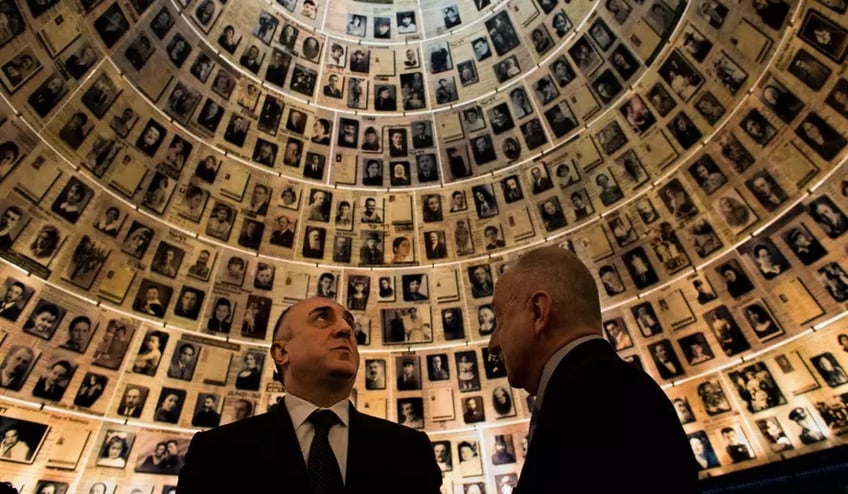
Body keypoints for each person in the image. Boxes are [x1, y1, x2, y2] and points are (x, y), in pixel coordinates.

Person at [486, 246, 699, 492]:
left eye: (499, 320)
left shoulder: (591, 398)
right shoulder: (609, 385)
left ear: (537, 311)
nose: (492, 344)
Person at [178, 297, 442, 492]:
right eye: (322, 318)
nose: (346, 330)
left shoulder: (410, 449)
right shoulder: (217, 452)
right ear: (281, 353)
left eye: (348, 322)